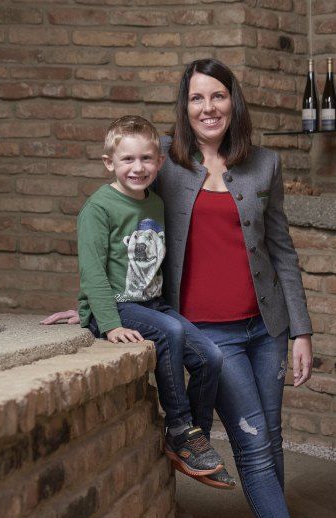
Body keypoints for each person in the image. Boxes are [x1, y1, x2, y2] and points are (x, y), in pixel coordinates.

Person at [46, 60, 336, 518]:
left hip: (266, 329)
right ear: (183, 106)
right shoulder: (162, 160)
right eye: (197, 98)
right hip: (209, 332)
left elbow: (282, 251)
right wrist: (95, 307)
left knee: (271, 445)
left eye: (219, 96)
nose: (208, 107)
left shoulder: (264, 165)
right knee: (254, 446)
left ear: (234, 102)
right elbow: (115, 219)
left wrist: (301, 329)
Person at [72, 114, 234, 489]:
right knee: (170, 333)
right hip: (118, 306)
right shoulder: (98, 208)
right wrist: (107, 322)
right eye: (127, 159)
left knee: (212, 357)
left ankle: (195, 438)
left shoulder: (154, 204)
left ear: (159, 162)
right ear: (109, 162)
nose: (138, 167)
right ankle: (179, 427)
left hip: (150, 304)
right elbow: (93, 272)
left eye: (146, 159)